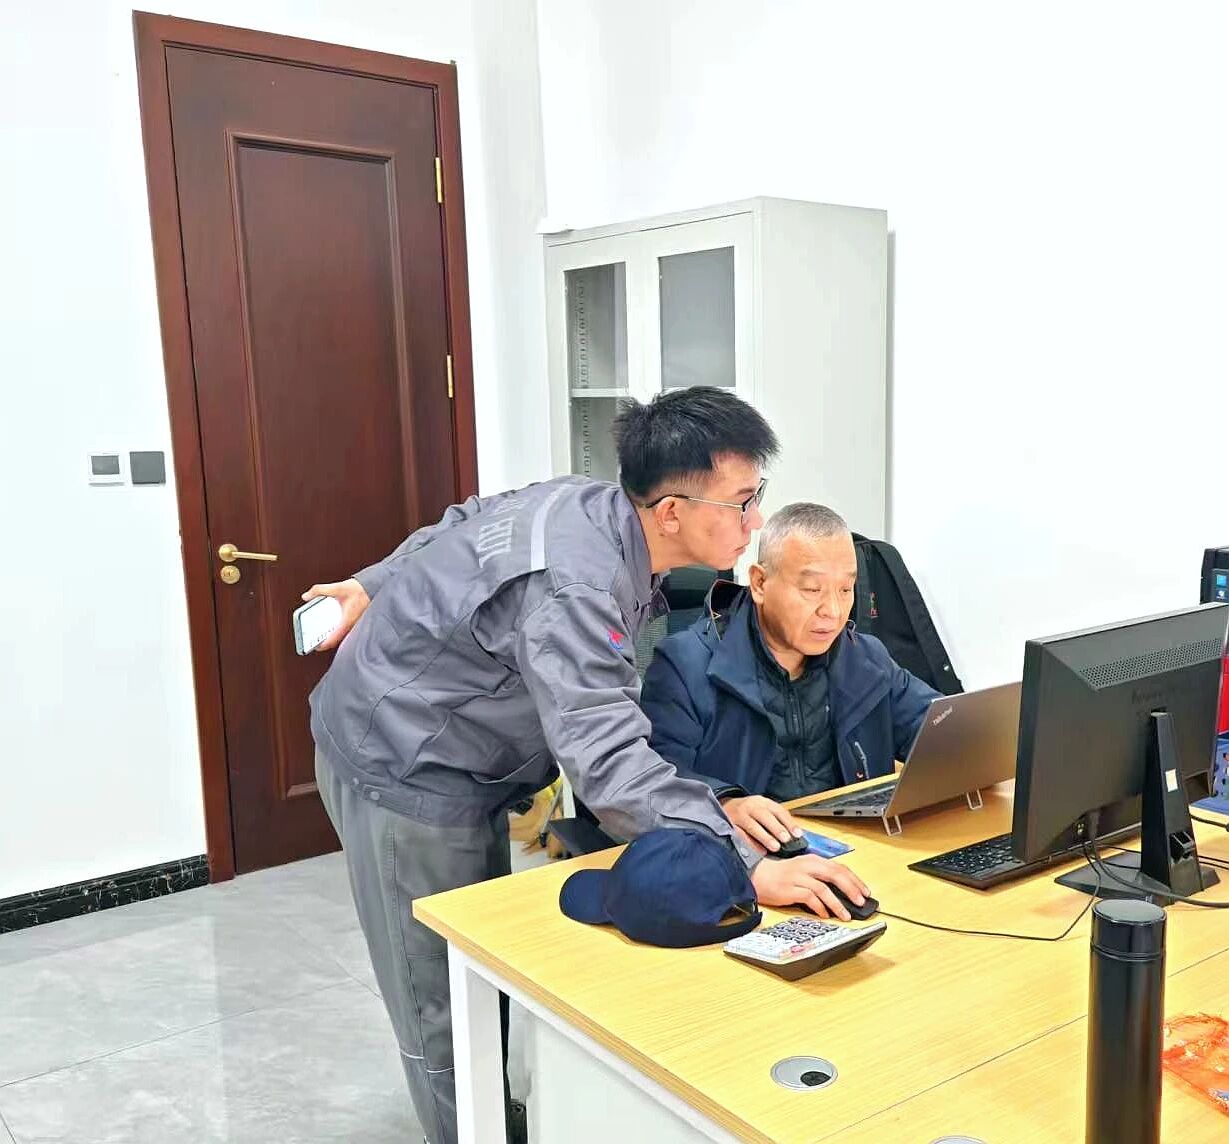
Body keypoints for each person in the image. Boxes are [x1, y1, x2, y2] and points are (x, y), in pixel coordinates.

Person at [303, 389, 870, 1144]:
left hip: (461, 744)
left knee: (482, 974)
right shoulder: (575, 586)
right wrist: (744, 864)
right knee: (441, 999)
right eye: (741, 502)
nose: (755, 519)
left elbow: (466, 517)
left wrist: (370, 584)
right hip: (405, 762)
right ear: (671, 511)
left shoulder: (588, 503)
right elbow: (607, 761)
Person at [640, 502, 940, 856]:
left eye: (846, 590)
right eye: (812, 590)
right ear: (759, 583)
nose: (832, 611)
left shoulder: (865, 658)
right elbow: (653, 783)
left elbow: (940, 727)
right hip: (744, 860)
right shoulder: (683, 666)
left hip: (858, 853)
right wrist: (724, 803)